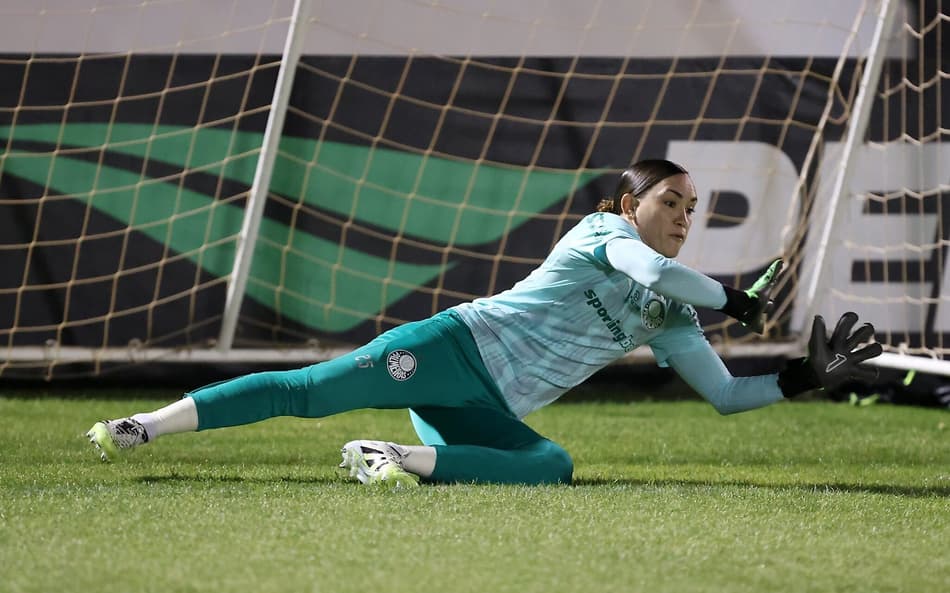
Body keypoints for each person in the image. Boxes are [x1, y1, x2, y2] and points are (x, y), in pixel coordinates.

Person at [85, 159, 883, 487]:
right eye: (670, 201)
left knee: (553, 465)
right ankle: (140, 426)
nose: (682, 216)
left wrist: (801, 378)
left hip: (487, 408)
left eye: (692, 209)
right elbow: (652, 267)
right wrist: (737, 299)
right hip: (451, 346)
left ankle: (394, 457)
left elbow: (724, 396)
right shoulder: (603, 235)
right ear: (629, 203)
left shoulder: (672, 310)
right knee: (310, 389)